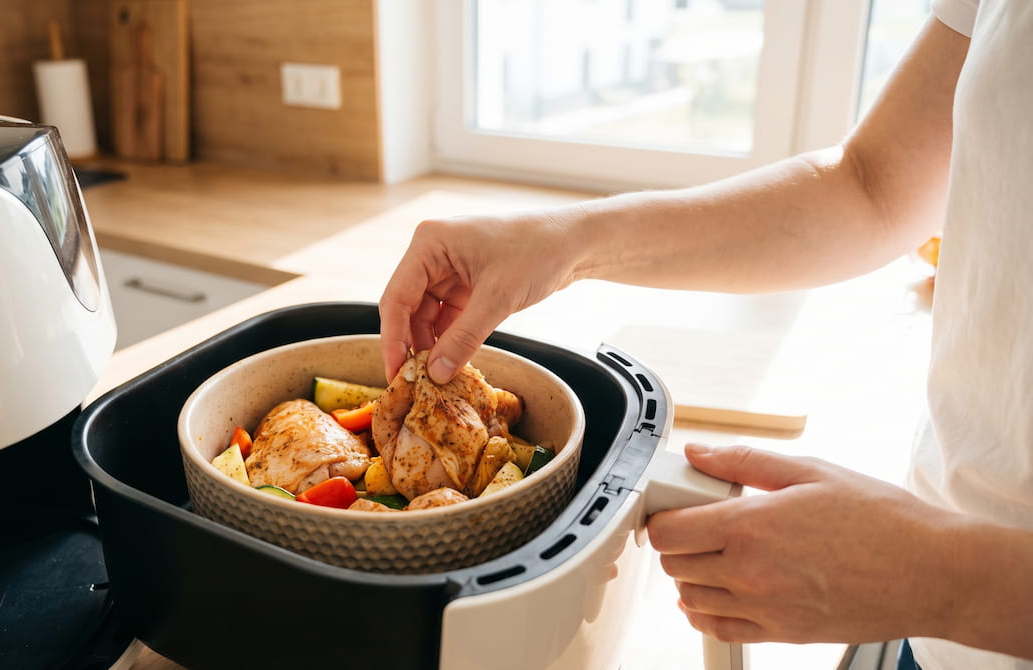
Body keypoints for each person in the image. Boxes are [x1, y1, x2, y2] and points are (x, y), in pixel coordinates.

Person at [377, 2, 1033, 669]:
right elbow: (873, 186)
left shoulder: (932, 576)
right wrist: (562, 242)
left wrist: (941, 576)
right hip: (936, 628)